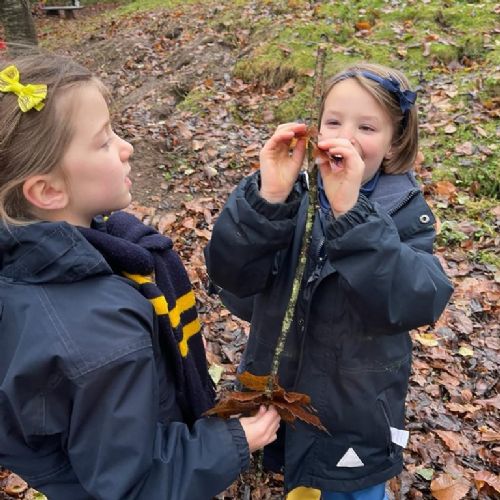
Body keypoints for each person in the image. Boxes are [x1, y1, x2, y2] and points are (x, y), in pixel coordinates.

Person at [0, 53, 281, 500]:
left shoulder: (27, 260)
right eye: (105, 141)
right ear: (48, 190)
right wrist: (235, 441)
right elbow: (131, 481)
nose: (127, 147)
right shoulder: (100, 333)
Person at [205, 62, 454, 499]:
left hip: (354, 408)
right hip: (275, 390)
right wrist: (269, 199)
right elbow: (232, 277)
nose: (347, 136)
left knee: (348, 487)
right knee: (281, 477)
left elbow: (415, 300)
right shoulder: (291, 194)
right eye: (334, 121)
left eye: (367, 126)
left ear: (396, 141)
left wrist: (352, 216)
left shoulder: (405, 213)